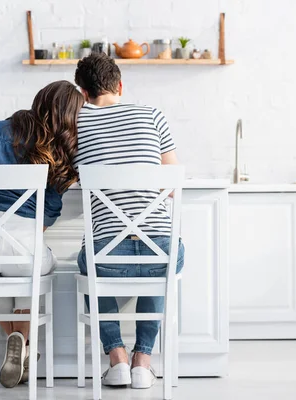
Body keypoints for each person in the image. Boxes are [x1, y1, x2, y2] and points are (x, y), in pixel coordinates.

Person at [0, 80, 84, 388]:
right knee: (31, 267)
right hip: (25, 251)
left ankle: (19, 341)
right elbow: (47, 214)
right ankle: (23, 341)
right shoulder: (58, 151)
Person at [73, 53, 185, 389]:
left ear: (83, 92)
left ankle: (117, 358)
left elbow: (70, 177)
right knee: (162, 256)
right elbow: (171, 187)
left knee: (90, 259)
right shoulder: (153, 115)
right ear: (120, 85)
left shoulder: (75, 123)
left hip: (108, 259)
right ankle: (143, 362)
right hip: (159, 251)